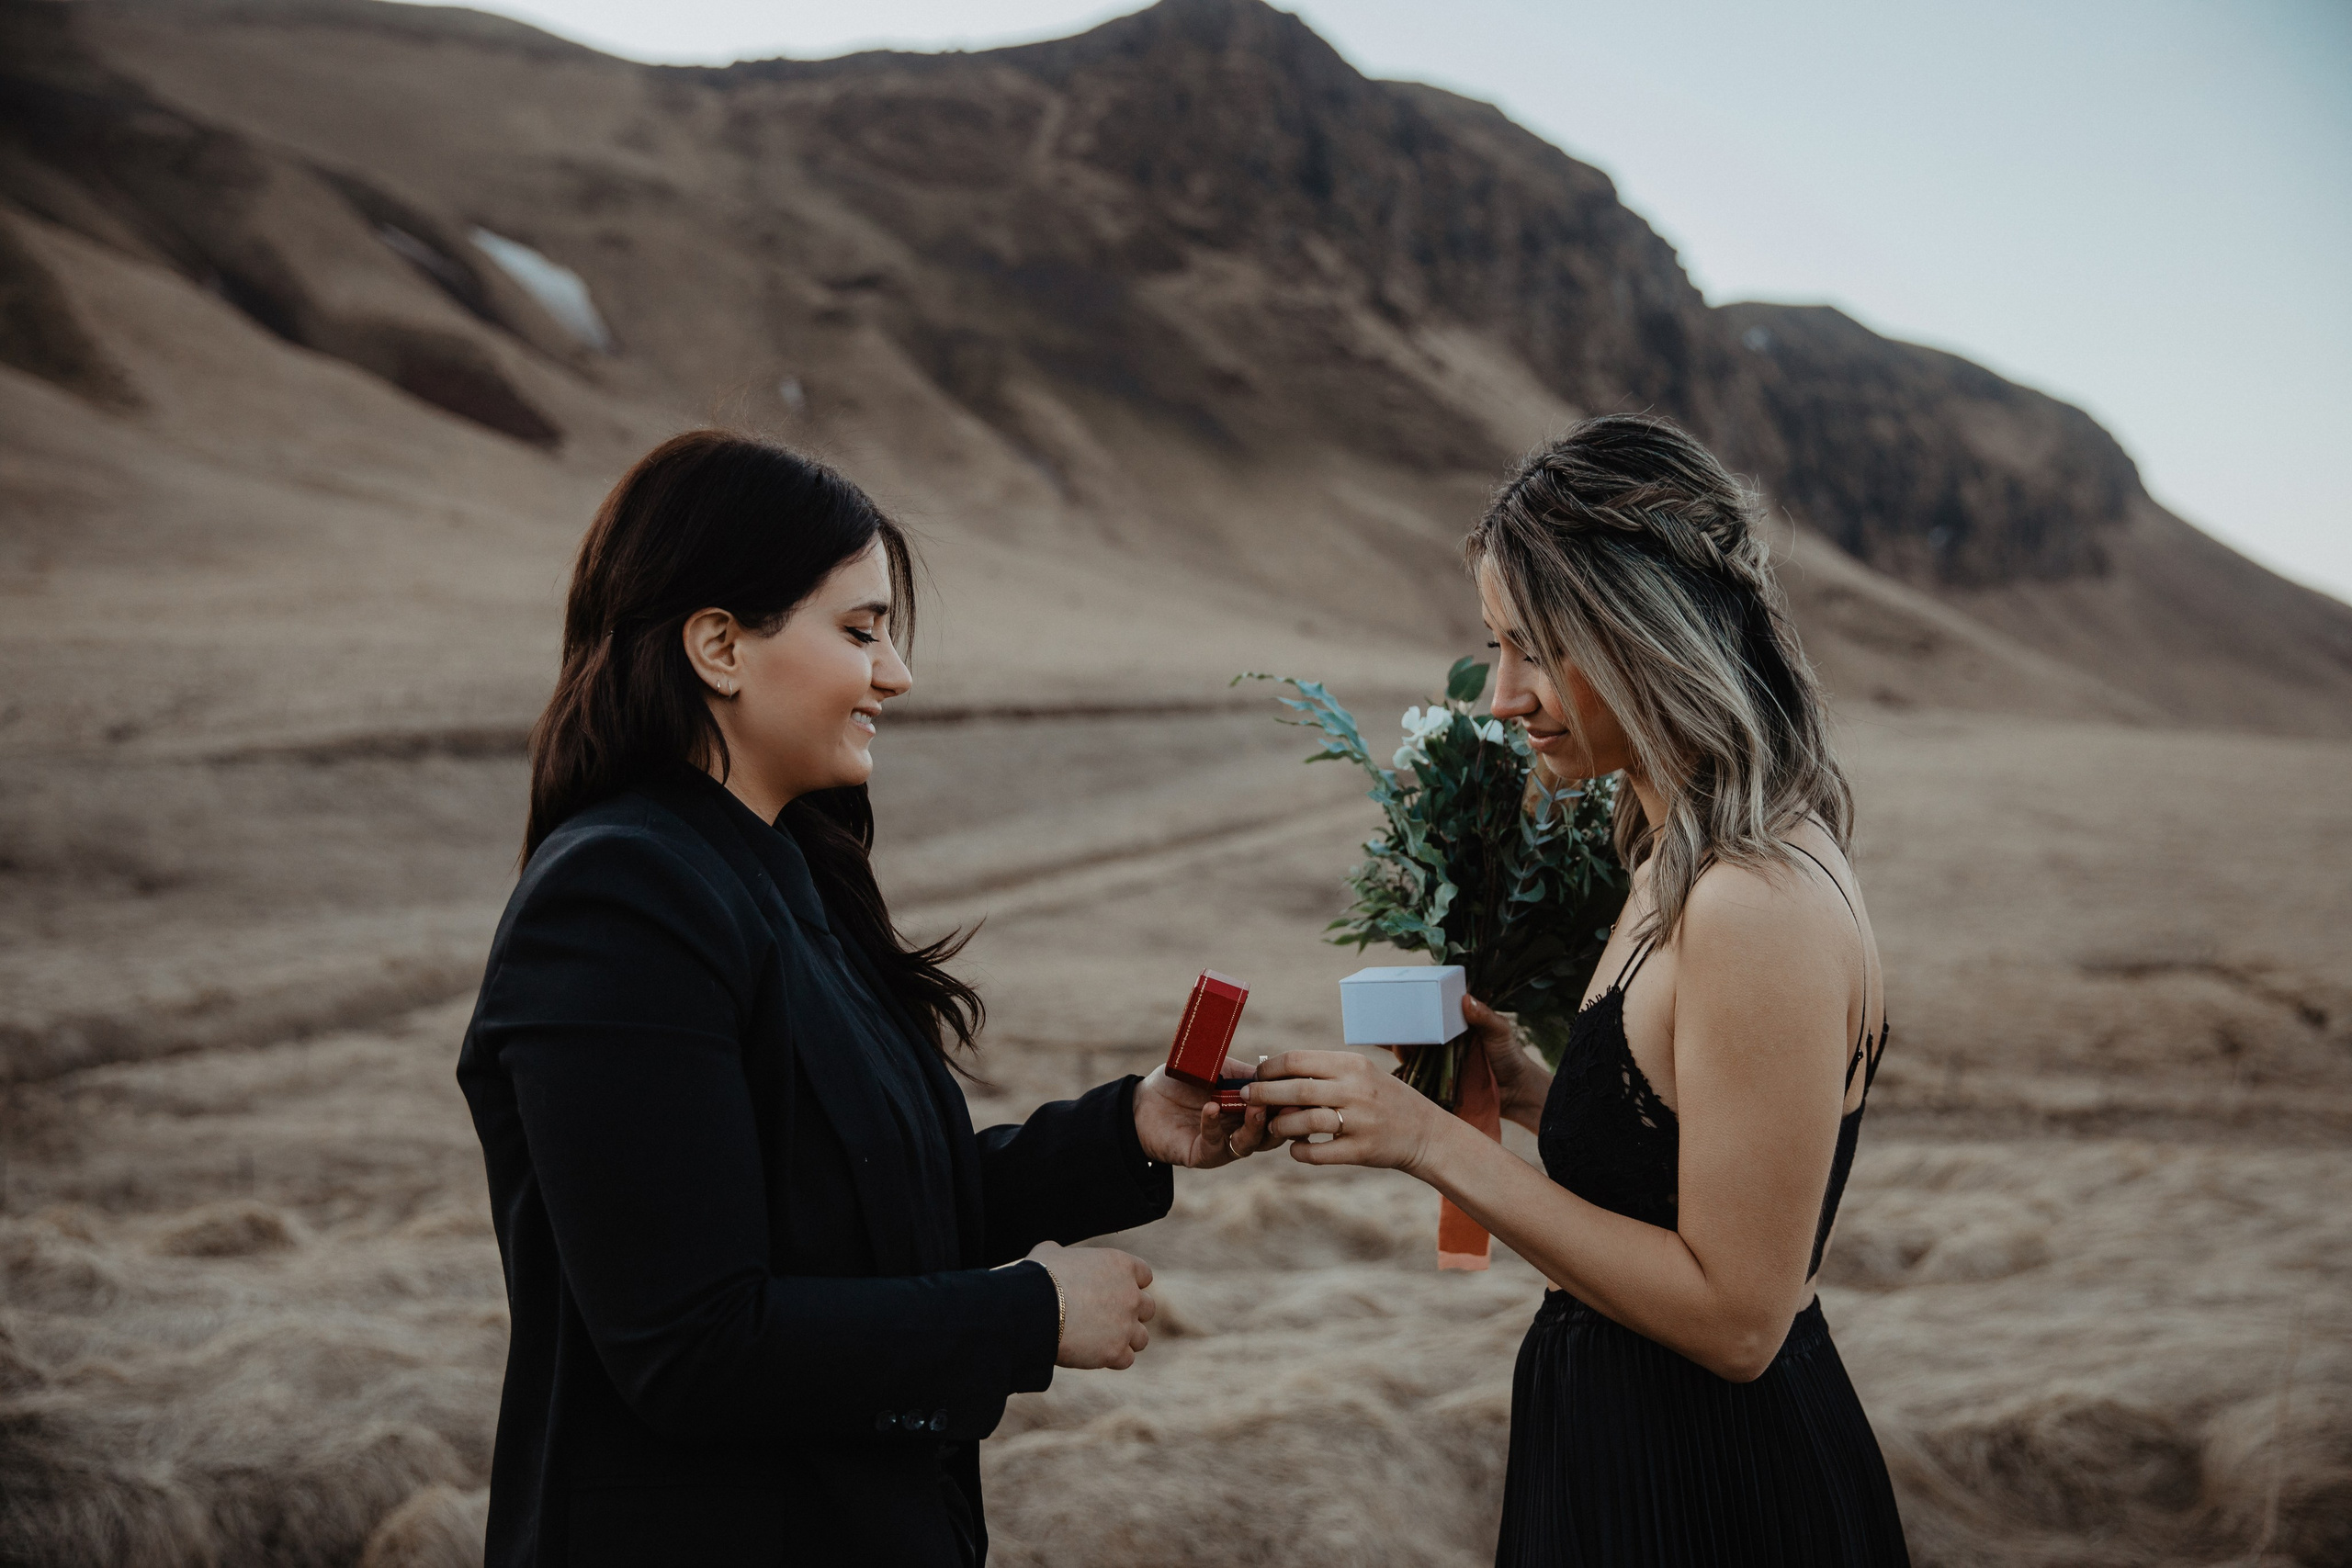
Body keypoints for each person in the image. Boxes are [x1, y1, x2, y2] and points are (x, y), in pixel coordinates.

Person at [456, 430, 1279, 1568]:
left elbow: (865, 1208)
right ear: (718, 646)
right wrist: (1025, 1317)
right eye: (860, 631)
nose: (896, 674)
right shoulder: (615, 901)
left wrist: (1128, 1127)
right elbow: (692, 1344)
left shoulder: (790, 876)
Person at [1250, 414, 1911, 1565]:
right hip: (1627, 1456)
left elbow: (1739, 1318)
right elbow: (1686, 1169)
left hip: (1711, 1495)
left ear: (1650, 637)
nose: (1501, 697)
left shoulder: (1756, 900)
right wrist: (1526, 1092)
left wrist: (1430, 1144)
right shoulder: (1673, 854)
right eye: (1494, 646)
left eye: (1537, 649)